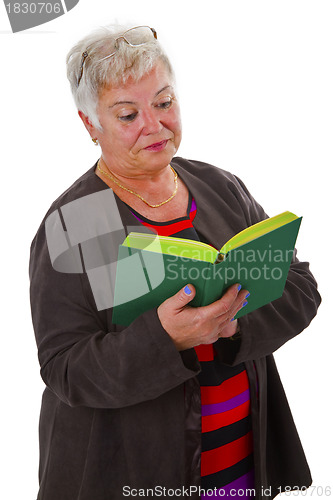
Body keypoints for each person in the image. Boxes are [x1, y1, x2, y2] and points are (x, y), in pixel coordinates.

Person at [29, 24, 321, 500]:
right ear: (89, 124)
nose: (154, 124)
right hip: (134, 476)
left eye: (164, 103)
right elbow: (65, 369)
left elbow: (300, 285)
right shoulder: (75, 222)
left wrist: (231, 325)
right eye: (127, 114)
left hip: (242, 464)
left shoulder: (220, 187)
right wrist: (166, 340)